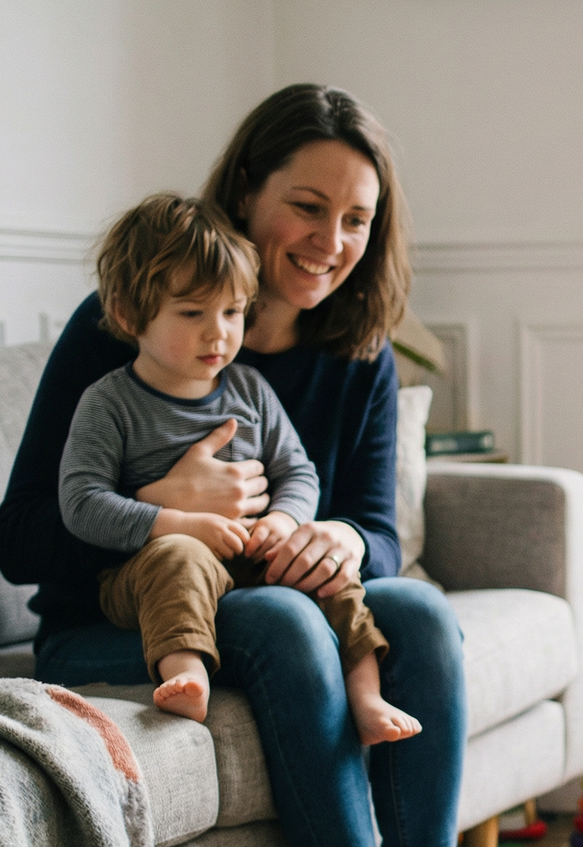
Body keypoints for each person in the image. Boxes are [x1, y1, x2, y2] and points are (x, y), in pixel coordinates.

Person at [0, 84, 466, 847]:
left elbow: (378, 526)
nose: (330, 241)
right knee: (285, 619)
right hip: (112, 624)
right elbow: (20, 542)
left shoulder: (356, 352)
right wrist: (163, 506)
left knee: (418, 611)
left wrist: (335, 535)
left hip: (265, 585)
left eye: (356, 220)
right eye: (307, 205)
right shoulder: (125, 320)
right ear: (246, 191)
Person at [61, 192, 415, 745]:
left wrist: (284, 518)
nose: (218, 333)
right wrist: (174, 522)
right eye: (192, 313)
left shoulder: (249, 388)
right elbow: (80, 503)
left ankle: (367, 695)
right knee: (178, 559)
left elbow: (298, 471)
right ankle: (186, 671)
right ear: (131, 316)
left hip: (251, 558)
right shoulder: (109, 403)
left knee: (330, 575)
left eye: (231, 312)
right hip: (153, 571)